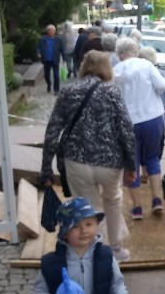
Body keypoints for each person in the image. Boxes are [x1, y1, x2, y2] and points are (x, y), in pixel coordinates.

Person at [40, 51, 137, 262]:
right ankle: (115, 250)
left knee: (89, 207)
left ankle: (95, 252)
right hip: (110, 162)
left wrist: (46, 168)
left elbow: (52, 131)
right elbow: (126, 129)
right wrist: (132, 165)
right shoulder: (112, 92)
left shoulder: (68, 91)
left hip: (77, 161)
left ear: (84, 67)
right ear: (106, 68)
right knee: (113, 201)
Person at [113, 37, 165, 220]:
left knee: (132, 164)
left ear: (119, 54)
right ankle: (157, 201)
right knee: (153, 159)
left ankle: (137, 208)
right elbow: (163, 86)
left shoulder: (115, 71)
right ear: (136, 50)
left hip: (127, 122)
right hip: (152, 117)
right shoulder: (146, 65)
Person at [37, 24, 62, 94]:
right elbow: (38, 47)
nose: (51, 31)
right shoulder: (42, 39)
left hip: (55, 59)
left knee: (56, 75)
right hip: (46, 60)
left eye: (52, 30)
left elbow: (61, 49)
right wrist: (38, 53)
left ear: (55, 31)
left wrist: (65, 58)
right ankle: (49, 84)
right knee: (46, 75)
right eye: (49, 30)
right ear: (47, 31)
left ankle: (56, 90)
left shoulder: (58, 39)